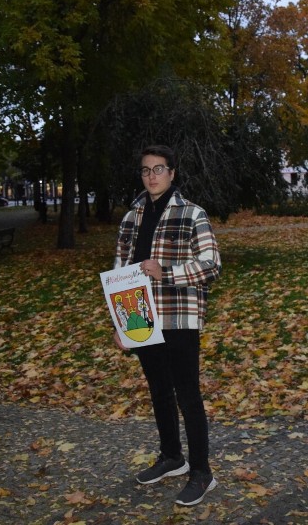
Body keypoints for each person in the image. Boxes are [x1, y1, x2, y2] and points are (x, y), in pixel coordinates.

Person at [112, 145, 222, 506]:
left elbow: (212, 265)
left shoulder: (192, 214)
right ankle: (172, 457)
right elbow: (120, 274)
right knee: (159, 390)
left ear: (172, 173)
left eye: (159, 169)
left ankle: (202, 472)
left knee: (187, 395)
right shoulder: (131, 218)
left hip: (178, 317)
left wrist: (167, 272)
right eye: (146, 170)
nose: (152, 176)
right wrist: (121, 323)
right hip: (141, 318)